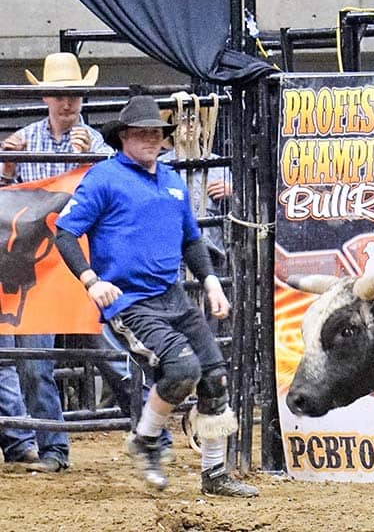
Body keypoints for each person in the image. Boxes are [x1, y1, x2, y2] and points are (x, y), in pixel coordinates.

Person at [54, 95, 257, 497]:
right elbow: (65, 232)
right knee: (182, 371)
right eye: (141, 133)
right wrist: (92, 280)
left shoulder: (171, 181)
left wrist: (212, 281)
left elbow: (191, 240)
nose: (151, 140)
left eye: (156, 133)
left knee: (214, 375)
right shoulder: (104, 178)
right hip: (129, 302)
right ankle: (146, 439)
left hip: (173, 296)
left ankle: (214, 473)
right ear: (124, 137)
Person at [0, 52, 109, 473]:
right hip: (41, 263)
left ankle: (152, 427)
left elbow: (106, 190)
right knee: (37, 356)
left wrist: (89, 163)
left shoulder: (95, 143)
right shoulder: (24, 140)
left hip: (76, 258)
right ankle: (53, 449)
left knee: (107, 347)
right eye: (61, 95)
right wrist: (8, 166)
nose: (68, 104)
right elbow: (7, 201)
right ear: (46, 96)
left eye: (75, 96)